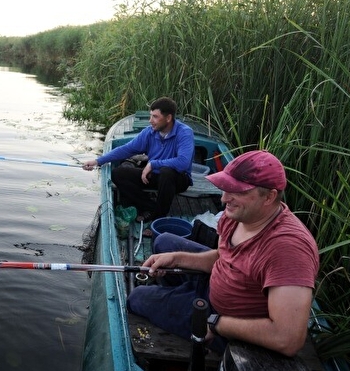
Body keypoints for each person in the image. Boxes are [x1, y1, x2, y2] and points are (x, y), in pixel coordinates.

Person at [127, 150, 319, 357]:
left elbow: (287, 338)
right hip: (216, 284)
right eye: (225, 188)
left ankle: (180, 299)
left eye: (237, 191)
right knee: (164, 241)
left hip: (230, 322)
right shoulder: (238, 215)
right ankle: (182, 291)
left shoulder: (288, 249)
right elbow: (223, 257)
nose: (224, 198)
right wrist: (177, 259)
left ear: (270, 196)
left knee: (137, 298)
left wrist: (219, 324)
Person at [82, 97, 194, 222]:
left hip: (178, 179)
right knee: (118, 174)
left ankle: (159, 218)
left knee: (167, 172)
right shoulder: (149, 132)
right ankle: (151, 207)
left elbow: (183, 162)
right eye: (150, 116)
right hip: (154, 175)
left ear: (168, 118)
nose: (150, 121)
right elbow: (126, 149)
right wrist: (98, 161)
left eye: (155, 117)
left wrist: (152, 164)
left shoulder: (184, 133)